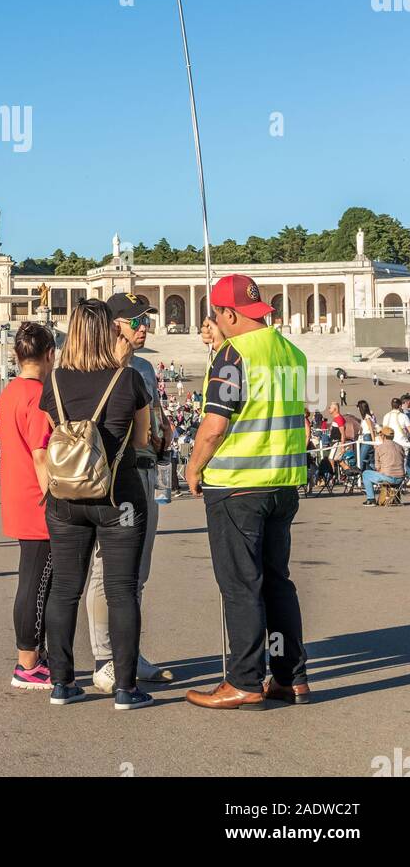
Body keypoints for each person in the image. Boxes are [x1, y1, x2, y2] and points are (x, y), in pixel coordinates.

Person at [185, 274, 309, 711]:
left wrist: (194, 466)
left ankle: (243, 680)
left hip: (238, 485)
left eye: (218, 314)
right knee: (278, 583)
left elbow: (215, 425)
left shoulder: (232, 355)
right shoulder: (292, 353)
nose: (216, 321)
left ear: (229, 314)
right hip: (283, 483)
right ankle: (290, 676)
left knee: (241, 585)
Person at [40, 299, 152, 711]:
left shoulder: (54, 382)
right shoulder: (127, 380)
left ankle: (61, 683)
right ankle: (125, 687)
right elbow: (142, 442)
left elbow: (56, 438)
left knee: (65, 588)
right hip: (117, 496)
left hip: (65, 497)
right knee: (122, 591)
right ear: (109, 332)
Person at [87, 293, 174, 693]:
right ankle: (106, 657)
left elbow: (152, 418)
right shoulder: (92, 365)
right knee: (108, 569)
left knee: (138, 570)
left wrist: (163, 433)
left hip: (144, 470)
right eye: (137, 321)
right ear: (115, 323)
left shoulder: (144, 368)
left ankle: (129, 650)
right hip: (108, 477)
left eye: (147, 320)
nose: (145, 327)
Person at [0, 320, 56, 690]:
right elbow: (40, 454)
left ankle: (34, 656)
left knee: (32, 578)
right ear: (49, 355)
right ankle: (27, 662)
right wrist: (54, 498)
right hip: (37, 498)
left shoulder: (9, 391)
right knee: (37, 582)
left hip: (16, 494)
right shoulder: (36, 395)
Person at [360, 426, 405, 504]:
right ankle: (395, 498)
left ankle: (371, 499)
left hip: (388, 477)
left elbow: (377, 467)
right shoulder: (400, 447)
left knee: (365, 473)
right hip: (401, 478)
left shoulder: (379, 448)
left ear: (383, 436)